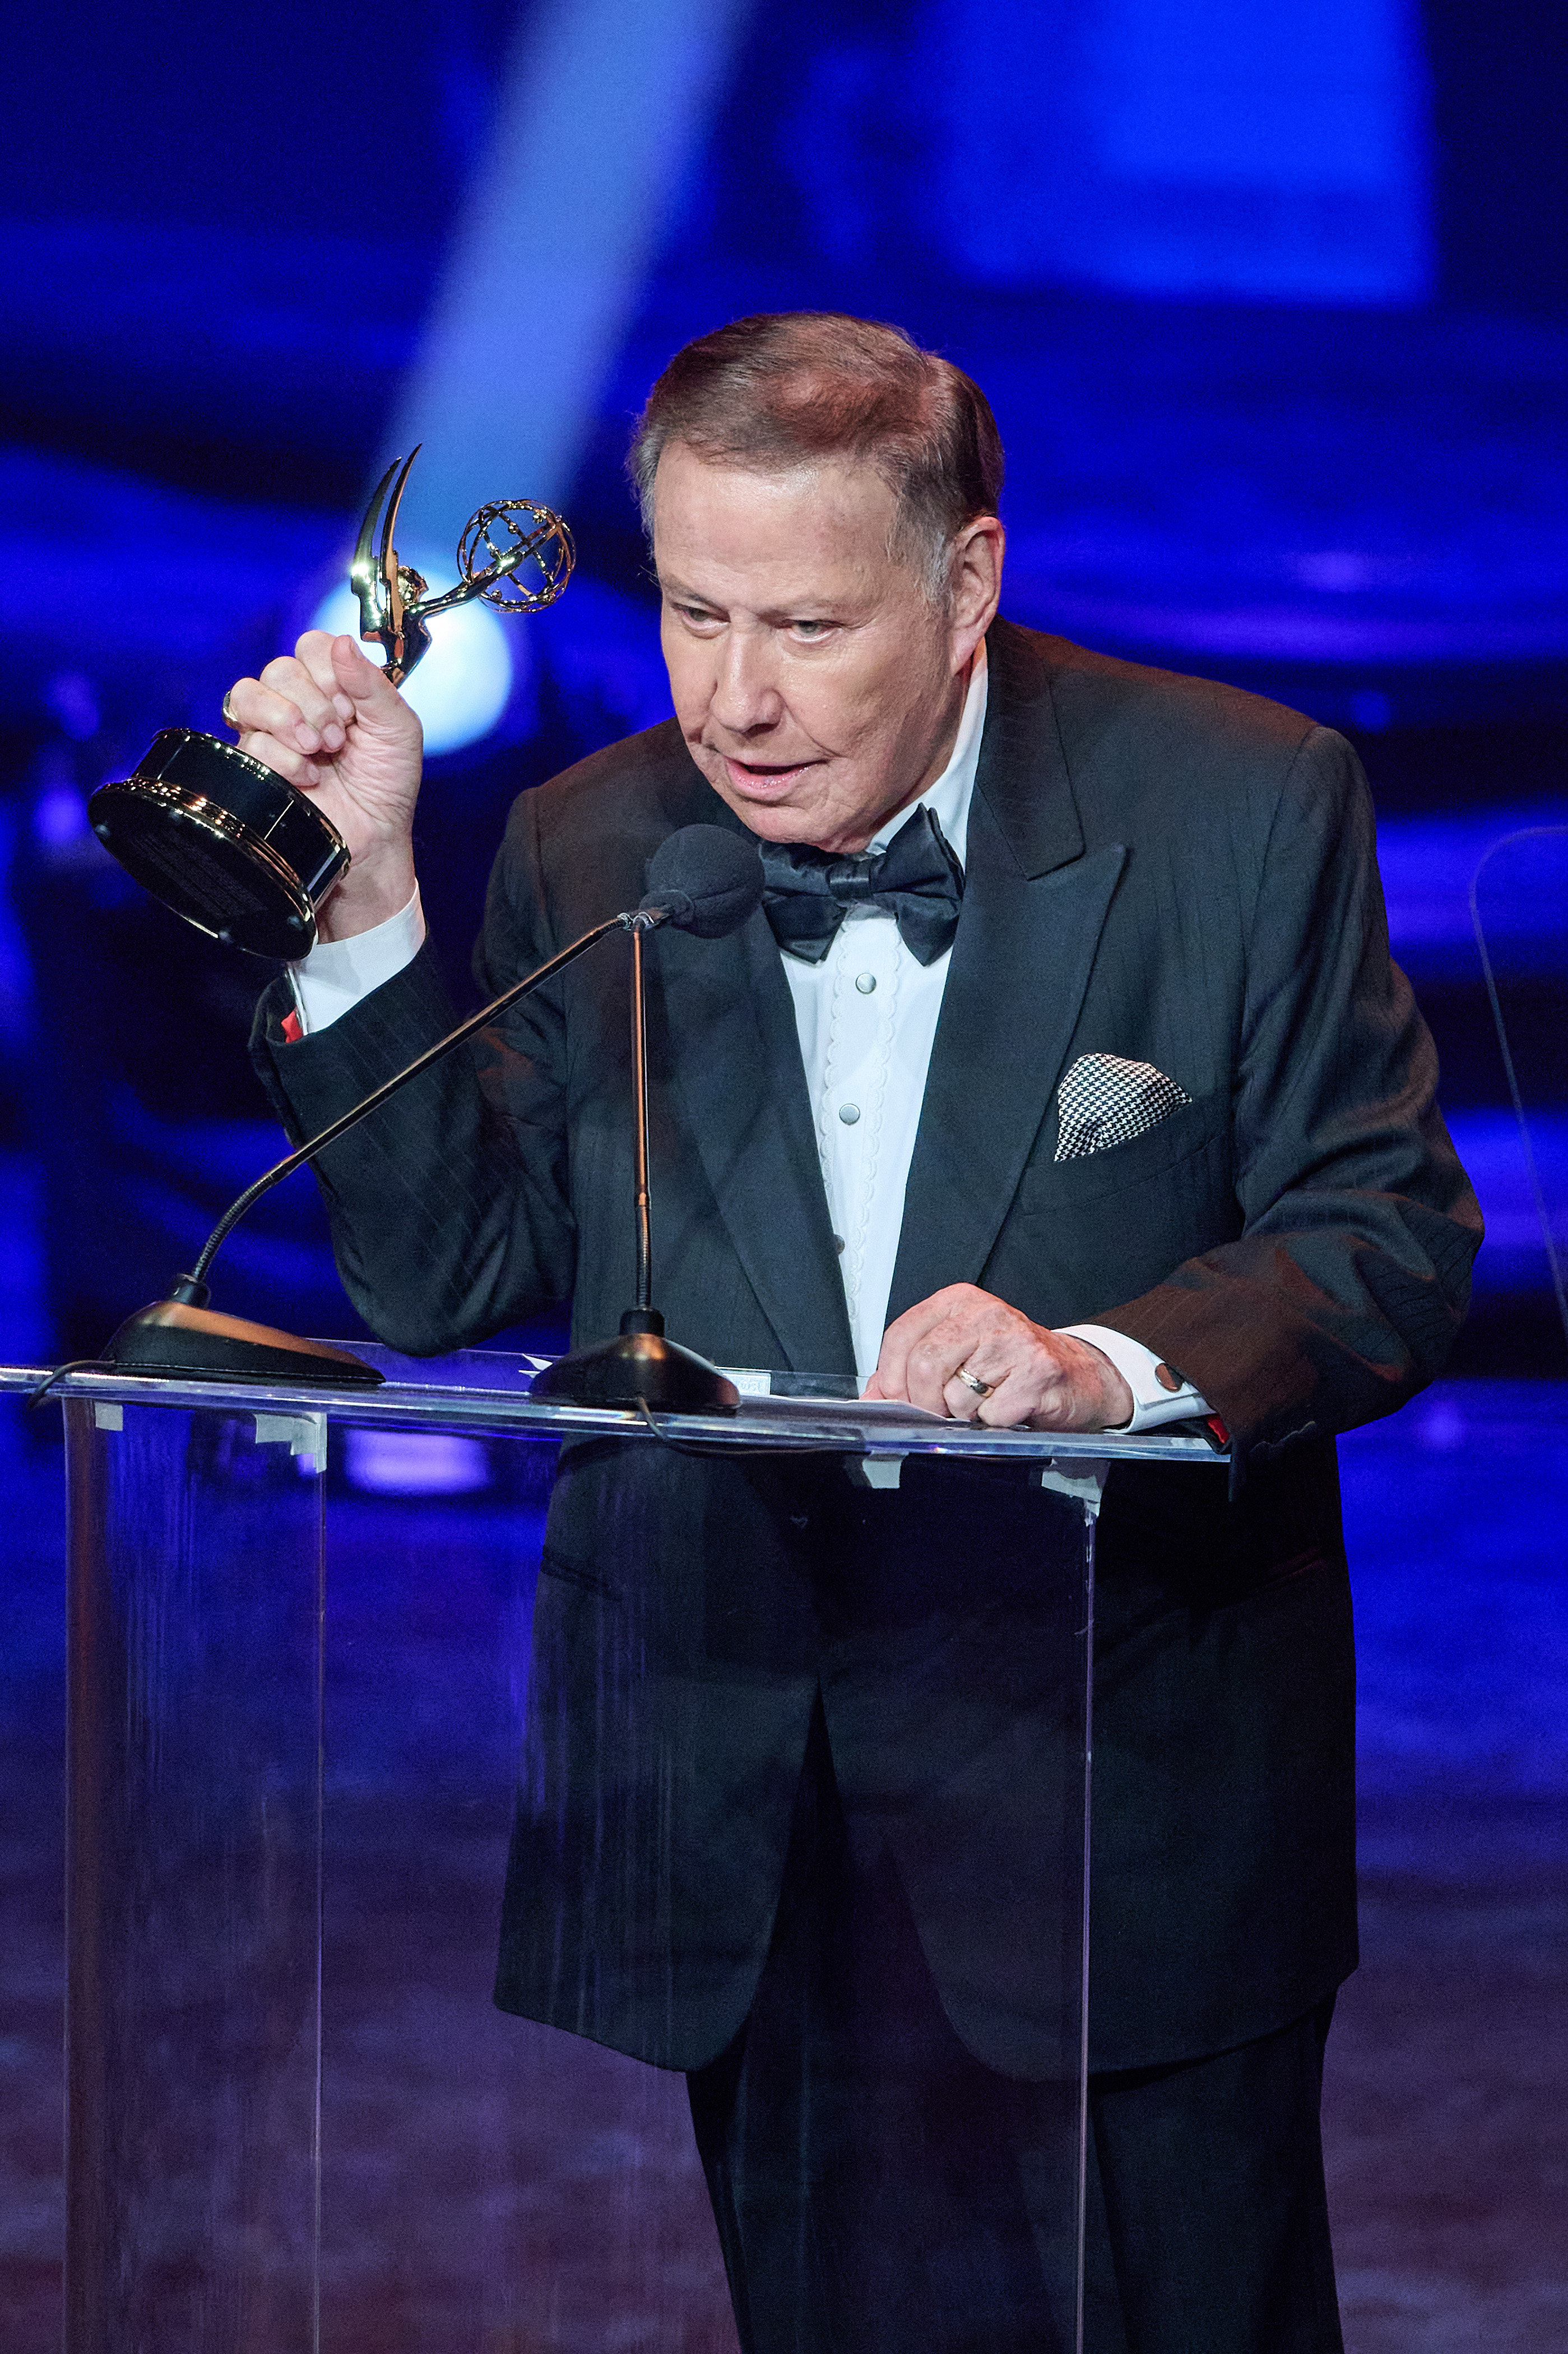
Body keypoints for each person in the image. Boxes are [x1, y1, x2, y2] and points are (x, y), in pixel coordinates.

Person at [230, 314, 1481, 2353]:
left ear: (967, 583)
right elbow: (444, 1273)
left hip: (1119, 1809)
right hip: (745, 1819)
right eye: (695, 613)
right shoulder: (591, 841)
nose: (736, 699)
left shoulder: (1241, 804)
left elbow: (1386, 1233)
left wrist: (1104, 1369)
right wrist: (365, 892)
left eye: (808, 627)